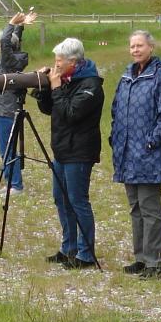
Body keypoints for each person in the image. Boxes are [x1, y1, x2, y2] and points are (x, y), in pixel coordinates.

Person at [110, 30, 161, 279]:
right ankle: (140, 257)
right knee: (135, 208)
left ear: (151, 47)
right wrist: (115, 140)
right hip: (127, 153)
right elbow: (116, 111)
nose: (135, 50)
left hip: (150, 154)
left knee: (150, 208)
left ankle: (156, 262)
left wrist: (151, 143)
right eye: (132, 46)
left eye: (140, 45)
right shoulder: (127, 76)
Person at [32, 37, 104, 268]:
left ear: (74, 61)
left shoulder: (90, 84)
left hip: (80, 151)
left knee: (77, 201)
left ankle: (86, 254)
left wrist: (55, 87)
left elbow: (71, 113)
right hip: (62, 149)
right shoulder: (67, 79)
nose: (56, 65)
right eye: (55, 60)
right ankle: (68, 247)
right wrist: (44, 86)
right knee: (60, 199)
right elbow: (49, 109)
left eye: (59, 60)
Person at [0, 10, 38, 193]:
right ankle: (10, 181)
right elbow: (13, 40)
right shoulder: (16, 58)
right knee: (6, 147)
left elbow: (6, 42)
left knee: (7, 148)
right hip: (5, 108)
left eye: (0, 44)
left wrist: (10, 24)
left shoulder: (8, 61)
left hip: (5, 109)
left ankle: (16, 184)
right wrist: (21, 24)